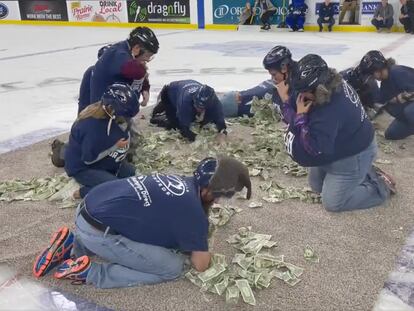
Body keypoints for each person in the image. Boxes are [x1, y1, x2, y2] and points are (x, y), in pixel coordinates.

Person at [33, 156, 252, 288]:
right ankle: (90, 273)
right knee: (172, 267)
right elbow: (201, 265)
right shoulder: (193, 213)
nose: (218, 202)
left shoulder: (180, 180)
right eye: (220, 196)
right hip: (99, 231)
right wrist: (202, 243)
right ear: (208, 190)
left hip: (87, 210)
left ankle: (72, 245)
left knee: (140, 225)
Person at [279, 54, 394, 212]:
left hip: (354, 154)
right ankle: (364, 171)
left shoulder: (330, 111)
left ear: (319, 89)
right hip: (342, 142)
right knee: (316, 186)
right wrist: (291, 104)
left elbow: (314, 148)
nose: (300, 96)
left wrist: (300, 117)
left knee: (333, 202)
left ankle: (379, 185)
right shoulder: (329, 83)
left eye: (304, 92)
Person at [64, 83, 139, 199]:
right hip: (83, 166)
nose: (125, 118)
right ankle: (83, 192)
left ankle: (104, 178)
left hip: (103, 159)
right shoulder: (92, 127)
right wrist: (115, 146)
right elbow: (88, 159)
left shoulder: (111, 117)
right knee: (116, 187)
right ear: (111, 108)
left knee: (131, 175)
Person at [90, 27, 159, 107]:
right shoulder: (119, 54)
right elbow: (134, 70)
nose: (147, 60)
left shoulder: (124, 50)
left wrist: (145, 88)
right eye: (147, 55)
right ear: (136, 48)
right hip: (105, 113)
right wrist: (143, 71)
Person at [360, 50, 414, 140]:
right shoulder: (385, 84)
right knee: (391, 134)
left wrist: (399, 98)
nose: (373, 77)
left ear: (378, 69)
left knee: (409, 111)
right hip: (407, 116)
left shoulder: (398, 72)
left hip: (410, 112)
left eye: (372, 73)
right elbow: (381, 103)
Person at [150, 80, 227, 143]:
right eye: (198, 106)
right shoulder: (185, 101)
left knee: (208, 120)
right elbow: (184, 129)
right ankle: (159, 112)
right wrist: (198, 139)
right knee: (174, 125)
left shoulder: (215, 102)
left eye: (202, 107)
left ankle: (198, 111)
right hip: (170, 91)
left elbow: (221, 122)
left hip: (188, 88)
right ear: (194, 99)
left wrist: (222, 133)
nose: (199, 109)